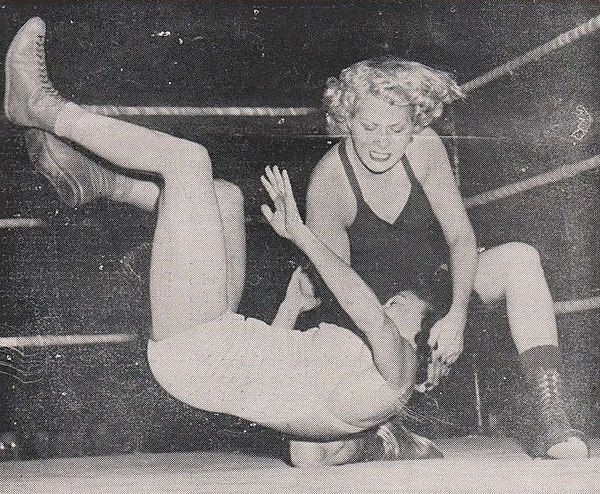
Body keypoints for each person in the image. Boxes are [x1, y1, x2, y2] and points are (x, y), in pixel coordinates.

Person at [5, 17, 447, 466]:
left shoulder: (397, 374)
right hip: (221, 338)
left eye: (400, 306)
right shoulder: (364, 396)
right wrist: (291, 310)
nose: (388, 303)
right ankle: (101, 183)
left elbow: (368, 314)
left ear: (425, 344)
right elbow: (300, 442)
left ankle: (41, 107)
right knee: (225, 198)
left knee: (187, 162)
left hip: (197, 348)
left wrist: (303, 236)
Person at [305, 57, 589, 458]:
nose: (382, 143)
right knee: (309, 456)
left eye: (396, 129)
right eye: (369, 128)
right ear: (347, 121)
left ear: (414, 126)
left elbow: (459, 236)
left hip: (435, 291)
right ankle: (389, 436)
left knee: (520, 259)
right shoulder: (329, 184)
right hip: (376, 319)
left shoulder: (425, 150)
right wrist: (398, 344)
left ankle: (553, 418)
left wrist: (454, 316)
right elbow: (343, 296)